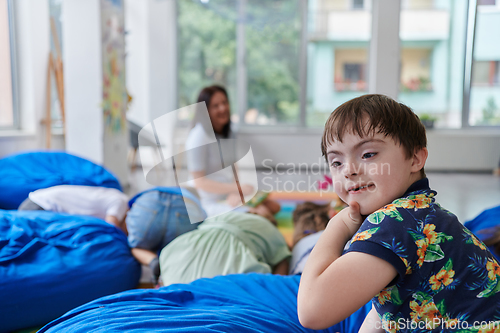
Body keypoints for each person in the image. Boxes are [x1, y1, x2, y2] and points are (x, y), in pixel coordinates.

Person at [298, 94, 500, 332]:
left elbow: (311, 312)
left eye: (368, 154)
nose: (349, 170)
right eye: (336, 162)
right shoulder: (420, 212)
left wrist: (337, 226)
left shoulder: (395, 223)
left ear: (415, 158)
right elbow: (386, 309)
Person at [185, 85, 279, 217]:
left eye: (224, 103)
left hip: (227, 193)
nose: (223, 108)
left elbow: (233, 167)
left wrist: (235, 192)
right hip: (207, 202)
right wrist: (237, 189)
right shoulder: (198, 136)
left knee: (274, 206)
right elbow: (199, 182)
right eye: (215, 105)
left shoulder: (229, 133)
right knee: (262, 213)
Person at [158, 207, 291, 287]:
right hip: (226, 288)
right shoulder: (269, 229)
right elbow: (282, 264)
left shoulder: (220, 216)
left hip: (180, 262)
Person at [18, 185, 129, 233]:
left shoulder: (118, 196)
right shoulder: (120, 202)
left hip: (36, 202)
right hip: (40, 207)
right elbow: (111, 229)